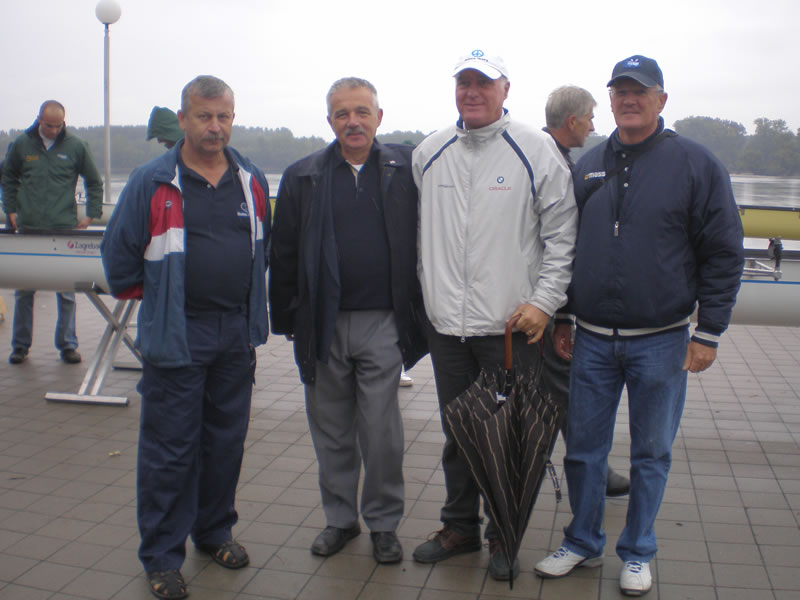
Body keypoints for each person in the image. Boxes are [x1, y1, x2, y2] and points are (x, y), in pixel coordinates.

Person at [534, 55, 744, 596]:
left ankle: (638, 551)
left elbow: (724, 252)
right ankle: (582, 542)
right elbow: (564, 247)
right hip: (592, 340)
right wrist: (563, 315)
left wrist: (709, 332)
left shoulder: (696, 164)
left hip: (662, 341)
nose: (629, 100)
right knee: (583, 452)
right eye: (620, 91)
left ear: (661, 100)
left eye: (640, 91)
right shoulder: (587, 164)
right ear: (609, 101)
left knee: (651, 453)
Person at [101, 75, 270, 600]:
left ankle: (214, 532)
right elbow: (118, 258)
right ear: (183, 119)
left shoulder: (250, 178)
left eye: (224, 117)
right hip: (178, 333)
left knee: (225, 443)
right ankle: (161, 556)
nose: (215, 127)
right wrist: (161, 302)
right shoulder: (153, 180)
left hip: (235, 333)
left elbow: (263, 250)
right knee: (170, 450)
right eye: (204, 116)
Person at [411, 50, 578, 581]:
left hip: (510, 328)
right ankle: (459, 527)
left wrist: (544, 303)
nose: (472, 92)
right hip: (447, 328)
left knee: (509, 438)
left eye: (483, 83)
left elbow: (562, 236)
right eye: (464, 82)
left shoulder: (536, 149)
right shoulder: (429, 152)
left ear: (506, 89)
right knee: (458, 434)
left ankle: (504, 534)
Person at [269, 77, 427, 565]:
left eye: (362, 112)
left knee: (381, 432)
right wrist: (288, 321)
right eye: (342, 114)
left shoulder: (408, 169)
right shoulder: (303, 176)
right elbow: (284, 251)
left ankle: (383, 522)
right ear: (330, 121)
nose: (353, 121)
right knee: (332, 430)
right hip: (323, 323)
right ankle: (340, 519)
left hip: (384, 321)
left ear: (379, 117)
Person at [542, 85, 630, 498]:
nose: (594, 127)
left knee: (558, 385)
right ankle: (591, 468)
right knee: (564, 385)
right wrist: (561, 310)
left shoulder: (553, 157)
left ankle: (588, 465)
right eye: (590, 118)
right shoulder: (552, 163)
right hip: (543, 299)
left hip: (544, 299)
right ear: (573, 120)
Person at [2, 100, 103, 365]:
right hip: (29, 227)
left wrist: (91, 214)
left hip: (64, 226)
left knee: (66, 290)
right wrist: (9, 209)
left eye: (59, 126)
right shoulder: (21, 145)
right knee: (25, 289)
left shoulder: (76, 146)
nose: (54, 130)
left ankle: (68, 345)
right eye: (49, 125)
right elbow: (8, 177)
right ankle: (20, 346)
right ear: (39, 120)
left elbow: (94, 181)